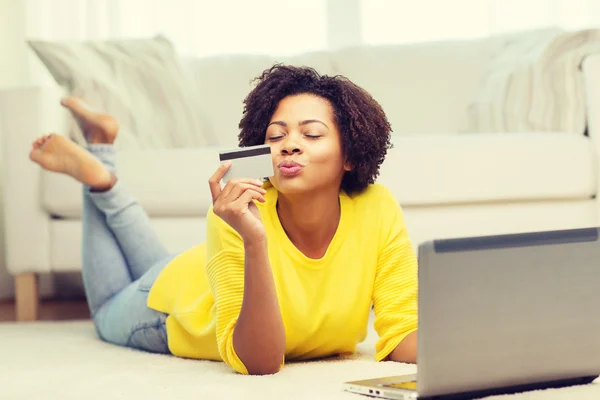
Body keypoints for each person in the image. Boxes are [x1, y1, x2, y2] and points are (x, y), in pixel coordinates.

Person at [29, 64, 418, 375]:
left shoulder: (378, 208)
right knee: (105, 311)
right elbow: (259, 362)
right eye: (276, 135)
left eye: (312, 134)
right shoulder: (241, 211)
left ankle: (100, 146)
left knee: (152, 268)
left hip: (193, 274)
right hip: (168, 311)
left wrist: (470, 343)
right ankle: (99, 177)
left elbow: (401, 333)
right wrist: (254, 240)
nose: (290, 144)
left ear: (349, 155)